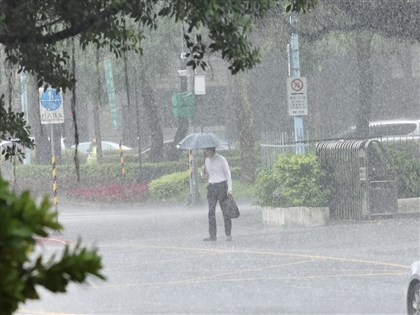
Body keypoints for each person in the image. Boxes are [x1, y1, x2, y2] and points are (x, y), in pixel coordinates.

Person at [201, 147, 233, 242]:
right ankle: (212, 235)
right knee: (211, 211)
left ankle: (228, 234)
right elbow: (206, 177)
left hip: (222, 186)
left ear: (211, 150)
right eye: (205, 151)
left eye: (206, 150)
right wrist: (202, 172)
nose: (205, 152)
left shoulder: (221, 159)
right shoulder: (206, 161)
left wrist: (230, 188)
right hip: (211, 187)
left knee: (225, 211)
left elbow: (228, 174)